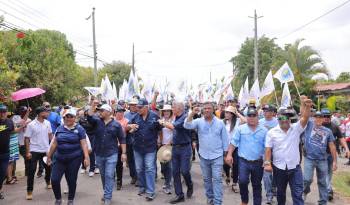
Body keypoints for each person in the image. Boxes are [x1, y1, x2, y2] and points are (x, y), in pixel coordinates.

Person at [264, 96, 312, 205]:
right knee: (280, 194)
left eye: (286, 118)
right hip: (279, 168)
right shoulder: (271, 132)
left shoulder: (296, 128)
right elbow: (268, 149)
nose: (284, 121)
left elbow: (304, 118)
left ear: (290, 119)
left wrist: (307, 106)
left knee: (297, 194)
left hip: (294, 168)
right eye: (281, 118)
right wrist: (267, 163)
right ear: (278, 119)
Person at [185, 102, 228, 205]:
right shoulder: (198, 121)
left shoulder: (220, 123)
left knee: (217, 179)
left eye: (209, 108)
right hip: (204, 156)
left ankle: (217, 202)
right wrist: (191, 113)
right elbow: (186, 125)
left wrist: (226, 155)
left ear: (213, 109)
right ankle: (210, 199)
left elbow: (225, 139)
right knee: (207, 180)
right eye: (205, 109)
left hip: (217, 156)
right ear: (202, 110)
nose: (207, 110)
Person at [47, 108, 90, 205]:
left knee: (71, 180)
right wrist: (49, 156)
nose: (69, 118)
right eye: (67, 116)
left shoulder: (79, 129)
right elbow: (54, 143)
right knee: (54, 179)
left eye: (71, 117)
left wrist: (86, 157)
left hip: (74, 159)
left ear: (75, 118)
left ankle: (70, 200)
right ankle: (58, 199)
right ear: (64, 117)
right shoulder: (60, 128)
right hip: (59, 158)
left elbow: (84, 144)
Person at [225, 107, 268, 205]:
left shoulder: (264, 130)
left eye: (254, 116)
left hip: (258, 163)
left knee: (256, 185)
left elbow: (267, 148)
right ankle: (244, 201)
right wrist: (229, 154)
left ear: (258, 117)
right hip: (243, 161)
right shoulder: (241, 129)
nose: (251, 118)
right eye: (249, 115)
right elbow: (233, 143)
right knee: (243, 182)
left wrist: (267, 161)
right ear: (246, 117)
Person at [87, 103, 126, 205]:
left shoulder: (116, 125)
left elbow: (122, 139)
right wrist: (93, 105)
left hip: (112, 154)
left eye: (102, 110)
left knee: (109, 175)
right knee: (104, 176)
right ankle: (106, 192)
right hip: (99, 154)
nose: (99, 112)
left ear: (108, 112)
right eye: (99, 110)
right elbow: (89, 116)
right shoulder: (97, 121)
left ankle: (108, 197)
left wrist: (124, 153)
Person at [127, 98, 162, 201]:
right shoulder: (135, 117)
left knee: (150, 169)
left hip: (150, 148)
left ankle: (150, 191)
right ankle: (142, 187)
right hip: (137, 148)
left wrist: (160, 141)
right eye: (137, 107)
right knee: (139, 169)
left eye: (140, 107)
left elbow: (160, 130)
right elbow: (127, 127)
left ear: (146, 107)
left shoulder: (155, 117)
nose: (138, 109)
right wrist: (130, 126)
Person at [161, 102, 193, 204]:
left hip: (185, 148)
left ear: (179, 108)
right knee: (175, 172)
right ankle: (179, 195)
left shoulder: (184, 117)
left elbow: (174, 126)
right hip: (175, 148)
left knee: (184, 171)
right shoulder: (176, 117)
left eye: (173, 108)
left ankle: (190, 184)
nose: (172, 109)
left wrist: (162, 122)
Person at [303, 111, 338, 205]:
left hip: (322, 159)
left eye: (320, 117)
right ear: (313, 118)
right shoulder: (309, 125)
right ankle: (305, 191)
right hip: (309, 158)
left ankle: (322, 202)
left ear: (323, 119)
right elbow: (304, 115)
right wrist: (306, 105)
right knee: (307, 179)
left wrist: (335, 161)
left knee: (323, 182)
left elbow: (332, 146)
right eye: (316, 117)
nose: (318, 119)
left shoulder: (328, 131)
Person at [24, 106, 53, 200]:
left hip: (45, 150)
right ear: (40, 113)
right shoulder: (31, 124)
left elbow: (50, 135)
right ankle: (29, 191)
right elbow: (27, 138)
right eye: (46, 112)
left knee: (49, 168)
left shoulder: (48, 123)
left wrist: (53, 147)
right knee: (31, 171)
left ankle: (48, 181)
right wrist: (28, 152)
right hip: (34, 150)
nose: (48, 114)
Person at [321, 108, 350, 201]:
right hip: (320, 155)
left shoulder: (334, 126)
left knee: (329, 173)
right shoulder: (317, 125)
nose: (326, 118)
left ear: (330, 116)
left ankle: (328, 190)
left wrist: (346, 149)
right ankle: (327, 190)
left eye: (328, 116)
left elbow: (341, 138)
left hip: (331, 154)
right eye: (324, 116)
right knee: (323, 173)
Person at [222, 106, 246, 193]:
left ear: (232, 114)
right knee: (226, 164)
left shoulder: (238, 122)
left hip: (235, 147)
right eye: (226, 112)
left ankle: (235, 183)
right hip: (225, 147)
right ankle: (227, 175)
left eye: (228, 112)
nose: (226, 114)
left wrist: (237, 113)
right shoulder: (222, 122)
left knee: (236, 165)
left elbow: (246, 121)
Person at [259, 104, 279, 204]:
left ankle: (274, 187)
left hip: (276, 151)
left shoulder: (277, 122)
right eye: (264, 111)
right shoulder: (260, 122)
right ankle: (269, 195)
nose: (266, 113)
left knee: (276, 172)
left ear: (272, 112)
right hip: (265, 152)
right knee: (266, 175)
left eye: (268, 111)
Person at [157, 104, 174, 195]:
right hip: (162, 146)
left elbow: (175, 131)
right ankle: (167, 181)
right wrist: (159, 141)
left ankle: (168, 185)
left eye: (168, 111)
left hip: (170, 146)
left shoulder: (173, 121)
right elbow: (159, 132)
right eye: (165, 111)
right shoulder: (160, 121)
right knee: (163, 167)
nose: (166, 112)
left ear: (170, 112)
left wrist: (170, 142)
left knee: (169, 166)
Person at [0, 104, 15, 200]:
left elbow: (13, 131)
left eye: (4, 112)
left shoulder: (10, 122)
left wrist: (22, 126)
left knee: (2, 174)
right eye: (0, 112)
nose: (2, 114)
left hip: (5, 153)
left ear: (7, 113)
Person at [78, 107, 97, 177]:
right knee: (83, 152)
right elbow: (79, 128)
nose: (88, 112)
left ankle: (92, 169)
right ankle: (84, 167)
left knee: (91, 152)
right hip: (83, 137)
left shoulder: (94, 119)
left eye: (89, 111)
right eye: (87, 111)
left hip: (92, 137)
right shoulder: (81, 119)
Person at [124, 99, 139, 185]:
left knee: (138, 160)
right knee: (130, 160)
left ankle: (139, 177)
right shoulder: (126, 115)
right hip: (128, 140)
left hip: (138, 140)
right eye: (131, 105)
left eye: (135, 105)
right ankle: (133, 176)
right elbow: (123, 126)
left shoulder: (139, 114)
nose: (133, 106)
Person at [114, 105, 129, 190]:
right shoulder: (112, 120)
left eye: (122, 112)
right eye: (119, 112)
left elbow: (129, 130)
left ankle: (119, 181)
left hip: (121, 145)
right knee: (111, 164)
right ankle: (111, 179)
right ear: (115, 113)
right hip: (112, 145)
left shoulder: (126, 121)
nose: (120, 113)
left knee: (119, 165)